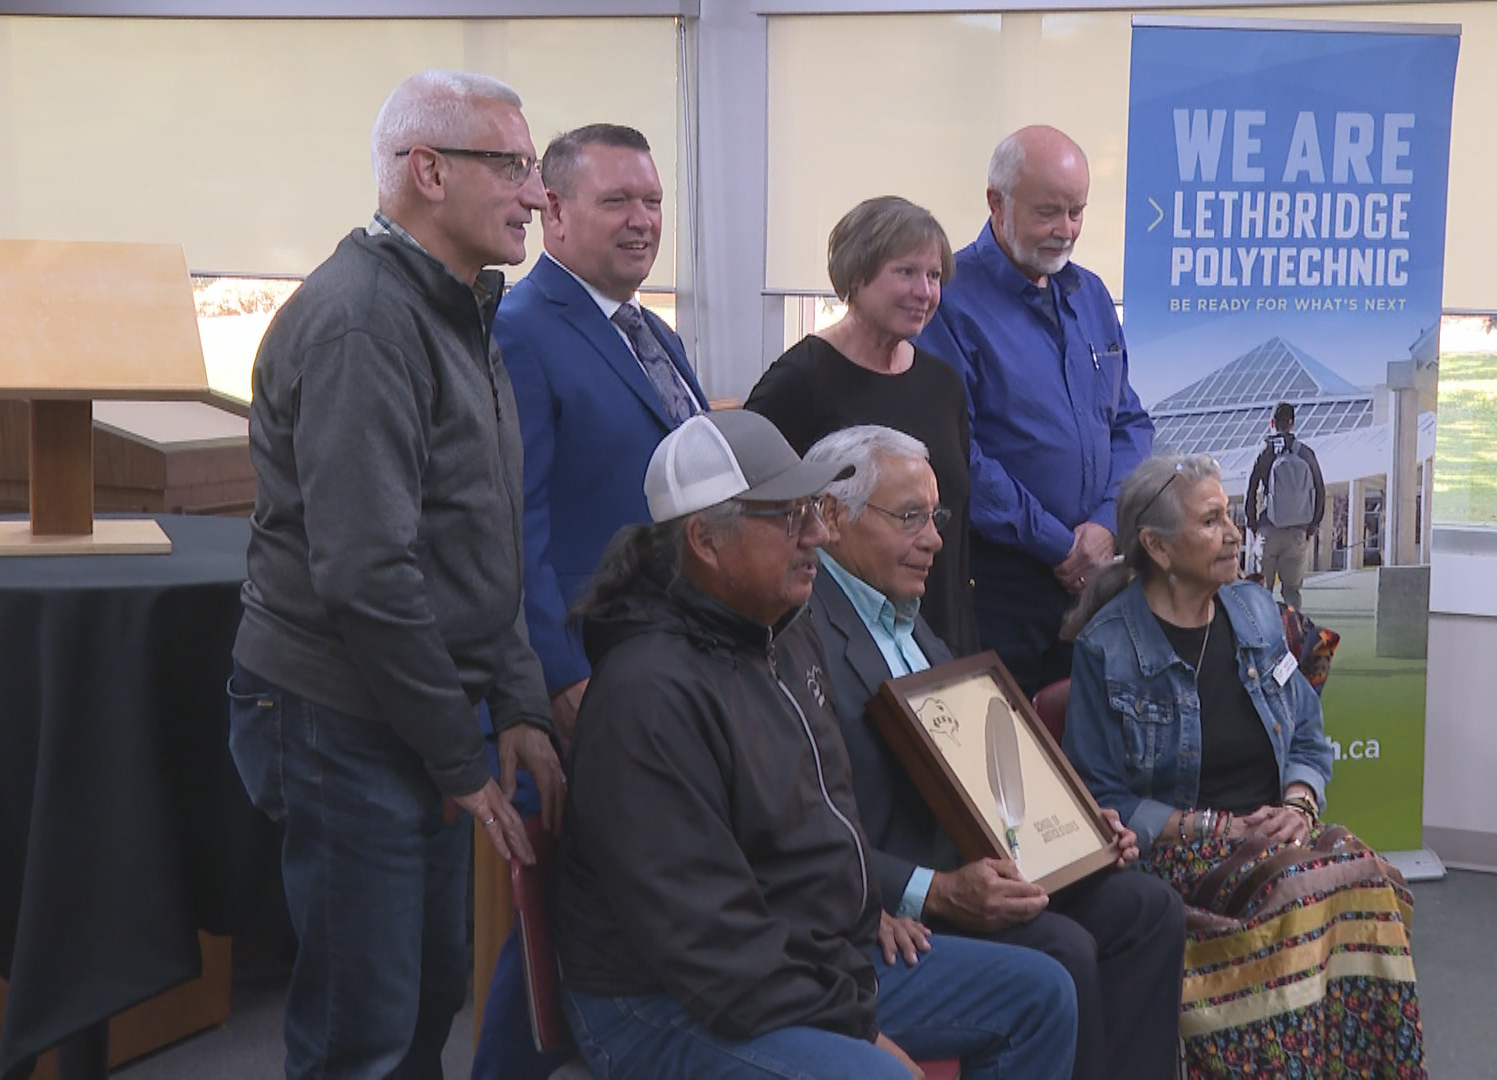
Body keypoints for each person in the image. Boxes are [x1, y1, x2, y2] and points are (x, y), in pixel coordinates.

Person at [552, 409, 1077, 1080]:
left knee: (1043, 995)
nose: (817, 534)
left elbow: (828, 808)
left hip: (805, 961)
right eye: (787, 516)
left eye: (813, 510)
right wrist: (852, 1022)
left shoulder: (782, 632)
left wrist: (866, 909)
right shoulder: (646, 696)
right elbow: (707, 943)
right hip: (662, 1002)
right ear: (705, 541)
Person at [226, 70, 565, 1079]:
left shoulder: (457, 304)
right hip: (340, 714)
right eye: (511, 166)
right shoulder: (362, 322)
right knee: (361, 1030)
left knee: (422, 1003)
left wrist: (512, 700)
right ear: (427, 171)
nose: (536, 194)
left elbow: (480, 536)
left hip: (415, 709)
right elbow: (368, 574)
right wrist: (459, 761)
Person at [802, 426, 1184, 1080]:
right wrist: (927, 892)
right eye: (911, 517)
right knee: (1062, 949)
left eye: (937, 516)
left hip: (986, 865)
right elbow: (801, 819)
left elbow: (987, 763)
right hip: (900, 901)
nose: (935, 539)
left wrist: (1084, 830)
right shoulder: (800, 633)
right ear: (832, 518)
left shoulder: (909, 619)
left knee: (1145, 910)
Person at [1059, 454, 1423, 1079]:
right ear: (1157, 546)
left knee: (1367, 876)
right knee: (1305, 888)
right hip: (1179, 854)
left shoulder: (1255, 612)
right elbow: (1097, 798)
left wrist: (1299, 804)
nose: (1235, 533)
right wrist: (1219, 830)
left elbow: (1306, 732)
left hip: (1275, 837)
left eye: (1230, 515)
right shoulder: (1107, 647)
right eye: (1212, 521)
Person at [482, 122, 709, 1077]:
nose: (642, 219)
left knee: (605, 897)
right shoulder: (522, 332)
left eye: (652, 200)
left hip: (664, 673)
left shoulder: (651, 331)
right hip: (585, 677)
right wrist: (556, 677)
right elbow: (513, 527)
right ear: (555, 211)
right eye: (618, 201)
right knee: (557, 900)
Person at [916, 125, 1154, 696]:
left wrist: (1101, 526)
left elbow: (1130, 425)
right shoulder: (947, 301)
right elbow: (957, 454)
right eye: (1049, 211)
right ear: (996, 202)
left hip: (1098, 583)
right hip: (1000, 587)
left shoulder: (1090, 295)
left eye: (1077, 211)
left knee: (1090, 758)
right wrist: (1058, 545)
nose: (1066, 230)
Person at [746, 196, 978, 655]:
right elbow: (756, 520)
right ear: (856, 275)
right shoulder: (797, 383)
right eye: (906, 272)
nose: (925, 292)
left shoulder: (943, 384)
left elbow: (957, 533)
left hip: (937, 635)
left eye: (934, 276)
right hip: (835, 647)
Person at [1244, 401, 1326, 610]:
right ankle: (1294, 637)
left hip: (1268, 529)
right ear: (1292, 423)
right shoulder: (1305, 453)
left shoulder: (1264, 452)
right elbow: (1319, 489)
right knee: (1292, 592)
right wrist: (1311, 526)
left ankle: (1263, 639)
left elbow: (1250, 489)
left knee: (1261, 593)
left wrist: (1253, 524)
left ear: (1271, 422)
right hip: (1297, 533)